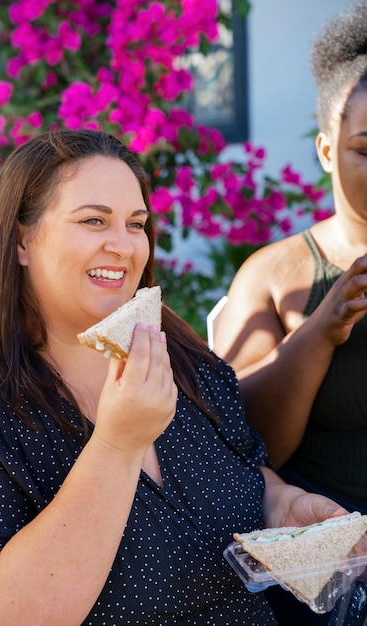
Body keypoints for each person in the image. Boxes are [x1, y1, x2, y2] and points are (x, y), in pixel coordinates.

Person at [0, 128, 346, 626]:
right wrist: (117, 445)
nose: (123, 246)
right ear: (21, 240)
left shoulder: (183, 362)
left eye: (136, 224)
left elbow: (251, 474)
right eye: (94, 221)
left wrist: (285, 509)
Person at [213, 3, 367, 625]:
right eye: (366, 148)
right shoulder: (275, 275)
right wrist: (321, 332)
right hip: (332, 576)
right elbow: (244, 444)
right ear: (328, 151)